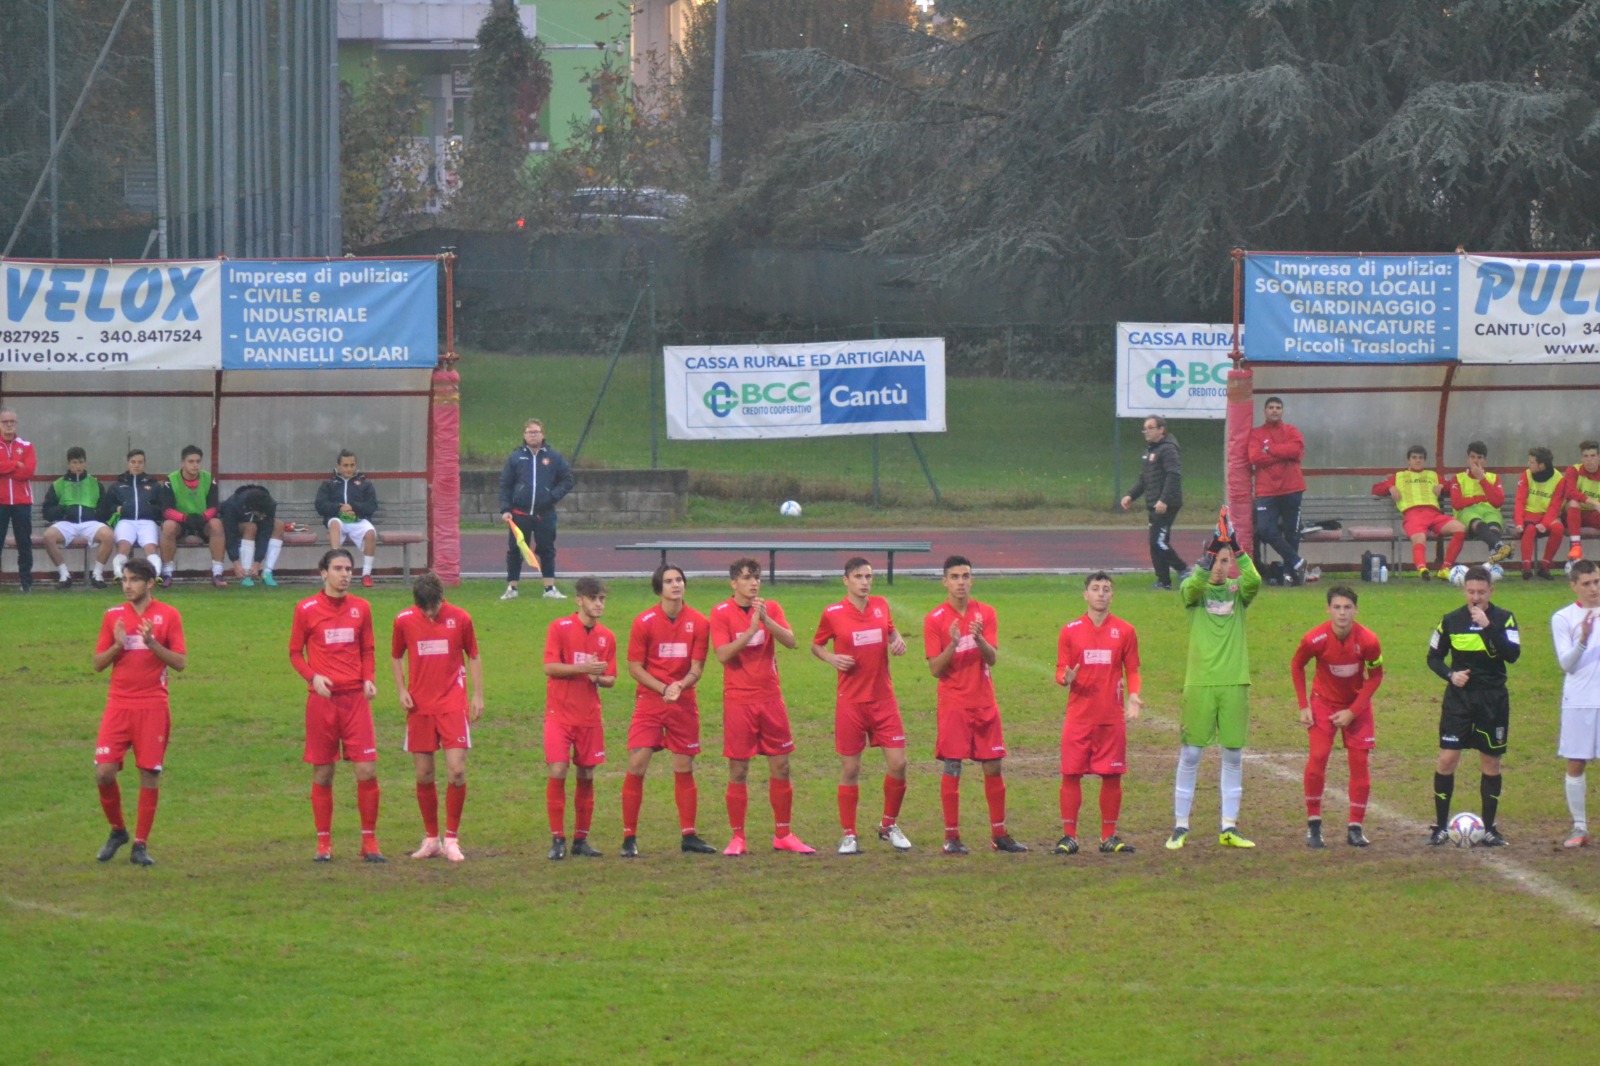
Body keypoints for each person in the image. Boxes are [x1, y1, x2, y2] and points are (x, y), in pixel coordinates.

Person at [710, 559, 815, 856]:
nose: (753, 583)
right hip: (739, 700)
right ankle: (738, 838)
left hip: (771, 698)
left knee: (781, 765)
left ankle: (783, 834)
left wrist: (766, 621)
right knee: (739, 769)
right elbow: (722, 654)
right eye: (746, 578)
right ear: (733, 584)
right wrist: (749, 631)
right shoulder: (720, 613)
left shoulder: (771, 608)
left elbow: (791, 641)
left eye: (756, 578)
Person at [923, 555, 1026, 855]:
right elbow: (934, 669)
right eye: (954, 577)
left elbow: (991, 658)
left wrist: (978, 639)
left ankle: (1000, 835)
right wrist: (954, 644)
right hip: (954, 704)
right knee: (953, 766)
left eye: (965, 576)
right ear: (945, 581)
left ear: (972, 580)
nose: (961, 582)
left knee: (993, 766)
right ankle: (951, 837)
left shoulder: (986, 613)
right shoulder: (935, 620)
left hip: (984, 702)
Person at [1168, 528, 1262, 850]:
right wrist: (1206, 562)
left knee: (1233, 754)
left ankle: (1229, 827)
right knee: (1191, 753)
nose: (1223, 567)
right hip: (1200, 683)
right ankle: (1180, 826)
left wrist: (1237, 547)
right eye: (1217, 561)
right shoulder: (1193, 591)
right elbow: (1193, 585)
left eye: (1226, 561)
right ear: (1207, 561)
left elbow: (1255, 581)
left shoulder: (1238, 591)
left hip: (1234, 682)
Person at [812, 557, 912, 854]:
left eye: (869, 576)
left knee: (899, 764)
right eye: (859, 576)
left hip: (883, 699)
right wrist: (831, 658)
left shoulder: (881, 605)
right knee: (851, 768)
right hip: (851, 702)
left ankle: (888, 825)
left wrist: (898, 640)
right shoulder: (832, 613)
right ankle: (849, 833)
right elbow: (816, 644)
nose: (865, 581)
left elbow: (891, 630)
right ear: (846, 580)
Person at [92, 558, 186, 866]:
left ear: (149, 584)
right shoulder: (113, 617)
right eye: (124, 579)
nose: (127, 585)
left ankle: (140, 845)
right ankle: (118, 830)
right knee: (104, 772)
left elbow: (180, 662)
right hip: (118, 704)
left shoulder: (169, 615)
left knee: (149, 773)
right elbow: (97, 664)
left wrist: (152, 643)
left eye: (133, 580)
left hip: (152, 706)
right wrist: (117, 646)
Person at [290, 548, 382, 862]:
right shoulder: (306, 609)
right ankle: (323, 844)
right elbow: (294, 654)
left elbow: (368, 649)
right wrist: (313, 677)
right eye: (338, 568)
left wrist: (368, 677)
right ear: (323, 573)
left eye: (349, 569)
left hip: (356, 701)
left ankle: (369, 843)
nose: (345, 574)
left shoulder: (362, 608)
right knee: (323, 774)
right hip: (322, 703)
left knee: (367, 770)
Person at [621, 563, 714, 857]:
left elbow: (697, 668)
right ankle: (629, 837)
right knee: (638, 762)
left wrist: (681, 685)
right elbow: (634, 667)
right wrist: (663, 688)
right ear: (658, 588)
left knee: (684, 767)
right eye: (669, 581)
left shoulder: (699, 622)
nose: (676, 585)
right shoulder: (644, 622)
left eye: (679, 580)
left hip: (684, 701)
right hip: (651, 701)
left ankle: (689, 835)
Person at [1425, 564, 1521, 847]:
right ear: (1464, 590)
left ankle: (1489, 828)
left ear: (1491, 591)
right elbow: (1433, 658)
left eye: (1481, 591)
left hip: (1492, 700)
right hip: (1459, 701)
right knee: (1447, 759)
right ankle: (1441, 826)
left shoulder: (1504, 619)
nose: (1475, 597)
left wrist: (1488, 627)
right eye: (1471, 591)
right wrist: (1450, 675)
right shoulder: (1450, 620)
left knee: (1490, 762)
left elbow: (1513, 655)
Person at [391, 572, 483, 863]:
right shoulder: (404, 620)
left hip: (452, 704)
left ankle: (452, 838)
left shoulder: (461, 618)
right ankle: (432, 839)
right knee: (424, 774)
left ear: (442, 599)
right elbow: (396, 656)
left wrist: (477, 695)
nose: (430, 613)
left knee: (456, 771)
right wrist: (402, 689)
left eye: (434, 607)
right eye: (425, 609)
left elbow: (474, 655)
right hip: (420, 707)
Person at [1291, 585, 1385, 849]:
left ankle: (1355, 827)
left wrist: (1353, 711)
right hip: (1323, 704)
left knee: (1359, 763)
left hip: (1356, 706)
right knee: (1318, 757)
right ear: (1328, 609)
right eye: (1337, 607)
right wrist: (1303, 705)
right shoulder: (1314, 639)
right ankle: (1314, 826)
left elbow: (1376, 676)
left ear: (1356, 610)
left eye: (1347, 607)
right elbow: (1297, 665)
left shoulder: (1368, 640)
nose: (1342, 613)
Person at [1055, 571, 1142, 856]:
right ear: (1086, 595)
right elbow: (1061, 669)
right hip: (1079, 716)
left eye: (1106, 589)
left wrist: (1133, 696)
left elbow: (1133, 669)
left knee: (1112, 776)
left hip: (1110, 717)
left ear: (1112, 595)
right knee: (1071, 774)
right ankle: (1069, 836)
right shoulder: (1070, 631)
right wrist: (1065, 678)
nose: (1101, 593)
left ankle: (1109, 836)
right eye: (1096, 588)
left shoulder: (1126, 631)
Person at [543, 576, 617, 860]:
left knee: (586, 774)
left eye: (602, 599)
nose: (599, 604)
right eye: (593, 598)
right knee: (558, 770)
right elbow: (549, 666)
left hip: (589, 717)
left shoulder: (606, 636)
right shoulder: (559, 628)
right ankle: (558, 838)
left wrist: (598, 676)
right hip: (559, 716)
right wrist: (583, 667)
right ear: (579, 600)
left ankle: (581, 840)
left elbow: (610, 678)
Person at [1550, 559, 1600, 848]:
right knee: (1576, 761)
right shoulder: (1563, 618)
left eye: (1596, 582)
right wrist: (1583, 640)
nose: (1593, 589)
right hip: (1579, 700)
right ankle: (1579, 827)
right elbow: (1566, 664)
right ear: (1574, 587)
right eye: (1587, 584)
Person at [498, 418, 575, 601]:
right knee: (516, 550)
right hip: (519, 514)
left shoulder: (554, 457)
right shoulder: (516, 457)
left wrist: (552, 496)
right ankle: (512, 588)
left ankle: (549, 588)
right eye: (530, 432)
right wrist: (505, 508)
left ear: (543, 434)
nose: (533, 435)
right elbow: (505, 485)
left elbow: (567, 480)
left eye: (536, 432)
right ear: (524, 435)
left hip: (545, 514)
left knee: (547, 550)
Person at [1371, 445, 1464, 580]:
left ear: (1424, 461)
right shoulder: (1399, 476)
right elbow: (1376, 489)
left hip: (1434, 514)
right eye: (1414, 457)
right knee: (1419, 538)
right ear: (1408, 460)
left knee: (1460, 529)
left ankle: (1444, 569)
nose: (1417, 460)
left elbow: (1453, 486)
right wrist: (1390, 487)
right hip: (1413, 514)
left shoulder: (1433, 475)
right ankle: (1422, 569)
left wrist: (1443, 485)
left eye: (1420, 458)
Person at [1119, 415, 1186, 589]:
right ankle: (1163, 581)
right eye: (1144, 428)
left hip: (1166, 504)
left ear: (1161, 429)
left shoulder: (1168, 450)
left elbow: (1174, 475)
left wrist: (1163, 500)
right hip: (1154, 504)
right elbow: (1144, 479)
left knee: (1159, 541)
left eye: (1150, 427)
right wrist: (1130, 495)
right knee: (1154, 542)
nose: (1146, 432)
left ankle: (1184, 570)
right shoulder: (1151, 451)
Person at [1247, 396, 1308, 584]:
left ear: (1282, 411)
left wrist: (1270, 450)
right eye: (1271, 407)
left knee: (1292, 533)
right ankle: (1297, 562)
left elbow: (1296, 451)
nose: (1274, 410)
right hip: (1267, 491)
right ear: (1265, 411)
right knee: (1265, 530)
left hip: (1292, 488)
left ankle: (1291, 575)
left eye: (1278, 407)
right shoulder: (1256, 434)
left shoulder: (1291, 430)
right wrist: (1282, 454)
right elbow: (1255, 458)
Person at [41, 446, 114, 589]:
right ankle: (64, 575)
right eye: (74, 463)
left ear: (85, 463)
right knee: (48, 536)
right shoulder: (58, 484)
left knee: (109, 535)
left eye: (81, 462)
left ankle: (97, 575)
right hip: (67, 523)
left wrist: (95, 514)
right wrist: (62, 510)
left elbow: (105, 509)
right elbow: (47, 512)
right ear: (68, 464)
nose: (78, 466)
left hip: (90, 523)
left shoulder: (95, 483)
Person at [158, 444, 227, 588]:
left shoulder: (209, 478)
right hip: (181, 523)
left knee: (216, 524)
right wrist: (185, 518)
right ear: (182, 462)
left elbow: (214, 507)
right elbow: (166, 510)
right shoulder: (170, 480)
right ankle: (167, 574)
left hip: (203, 521)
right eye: (191, 461)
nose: (195, 465)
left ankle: (217, 573)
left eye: (198, 461)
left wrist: (203, 517)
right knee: (168, 526)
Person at [315, 450, 379, 587]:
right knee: (334, 524)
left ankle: (366, 574)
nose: (349, 468)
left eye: (352, 465)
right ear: (338, 466)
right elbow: (320, 505)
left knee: (370, 533)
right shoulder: (329, 484)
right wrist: (339, 508)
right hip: (337, 520)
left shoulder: (365, 483)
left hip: (358, 520)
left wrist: (353, 508)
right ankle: (334, 571)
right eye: (345, 465)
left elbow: (372, 506)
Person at [1445, 441, 1512, 568]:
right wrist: (1479, 498)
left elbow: (1497, 501)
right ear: (1468, 459)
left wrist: (1482, 479)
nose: (1476, 461)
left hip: (1490, 511)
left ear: (1485, 460)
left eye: (1479, 458)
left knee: (1494, 525)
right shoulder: (1458, 478)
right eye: (1473, 457)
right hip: (1467, 512)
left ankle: (1494, 557)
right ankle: (1499, 546)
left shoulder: (1493, 477)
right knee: (1478, 522)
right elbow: (1457, 503)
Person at [102, 449, 164, 581]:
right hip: (125, 521)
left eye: (140, 462)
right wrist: (117, 508)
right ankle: (119, 574)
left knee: (150, 548)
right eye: (133, 462)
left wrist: (150, 510)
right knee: (123, 546)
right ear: (127, 463)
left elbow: (162, 507)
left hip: (147, 522)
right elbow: (106, 507)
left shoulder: (154, 485)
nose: (136, 465)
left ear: (144, 464)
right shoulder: (117, 485)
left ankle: (156, 575)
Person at [1513, 446, 1567, 580]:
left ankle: (1544, 566)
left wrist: (1545, 523)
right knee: (1529, 529)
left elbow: (1555, 505)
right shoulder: (1526, 475)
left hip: (1547, 516)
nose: (1528, 465)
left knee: (1558, 528)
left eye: (1531, 462)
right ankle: (1526, 568)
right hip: (1529, 514)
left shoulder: (1559, 479)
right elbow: (1520, 500)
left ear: (1542, 465)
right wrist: (1519, 523)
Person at [220, 484, 287, 588]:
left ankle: (267, 573)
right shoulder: (232, 504)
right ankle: (246, 575)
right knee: (251, 527)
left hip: (259, 529)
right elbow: (230, 534)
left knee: (279, 526)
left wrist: (257, 563)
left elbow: (265, 533)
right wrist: (235, 562)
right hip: (240, 526)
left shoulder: (270, 504)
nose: (262, 517)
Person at [0, 407, 37, 592]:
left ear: (16, 424)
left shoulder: (27, 445)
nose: (8, 425)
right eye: (5, 422)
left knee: (24, 543)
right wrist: (15, 464)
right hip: (1, 502)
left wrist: (6, 469)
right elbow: (19, 469)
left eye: (11, 422)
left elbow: (28, 471)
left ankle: (26, 583)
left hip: (22, 502)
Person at [1562, 440, 1600, 562]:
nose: (1589, 459)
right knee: (1573, 502)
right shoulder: (1573, 470)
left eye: (1593, 456)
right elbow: (1570, 492)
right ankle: (1576, 548)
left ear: (1598, 457)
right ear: (1581, 458)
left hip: (1594, 516)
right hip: (1573, 515)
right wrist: (1594, 502)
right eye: (1586, 456)